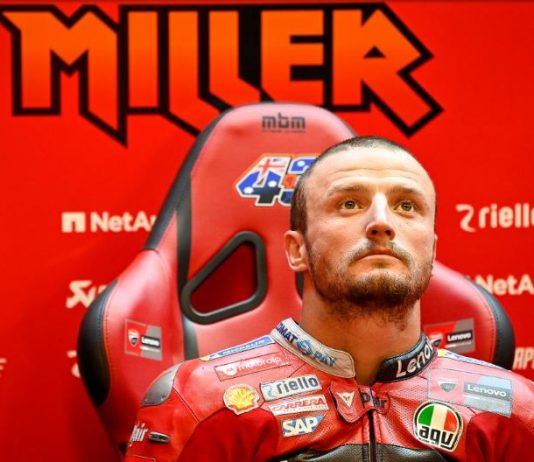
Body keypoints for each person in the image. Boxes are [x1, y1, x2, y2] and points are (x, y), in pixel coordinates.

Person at [125, 136, 533, 461]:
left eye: (406, 206)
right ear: (296, 250)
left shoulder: (515, 413)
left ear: (432, 248)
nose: (381, 222)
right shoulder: (201, 403)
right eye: (349, 204)